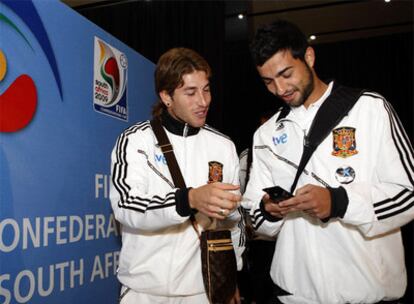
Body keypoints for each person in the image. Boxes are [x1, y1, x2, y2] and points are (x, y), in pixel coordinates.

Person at [242, 19, 414, 304]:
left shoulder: (368, 109)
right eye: (268, 81)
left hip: (366, 292)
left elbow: (408, 195)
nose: (279, 88)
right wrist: (270, 210)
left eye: (286, 74)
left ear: (308, 57)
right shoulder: (266, 135)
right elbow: (254, 216)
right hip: (297, 295)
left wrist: (338, 202)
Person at [110, 47, 244, 304]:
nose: (203, 101)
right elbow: (126, 206)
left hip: (203, 291)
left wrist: (229, 277)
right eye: (191, 92)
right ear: (166, 96)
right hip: (144, 292)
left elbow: (233, 220)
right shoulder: (135, 141)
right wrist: (189, 199)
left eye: (206, 89)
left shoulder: (223, 146)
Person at [238, 110, 276, 304]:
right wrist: (247, 224)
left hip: (282, 236)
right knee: (259, 285)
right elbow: (240, 194)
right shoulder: (247, 156)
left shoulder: (287, 153)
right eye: (261, 125)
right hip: (257, 236)